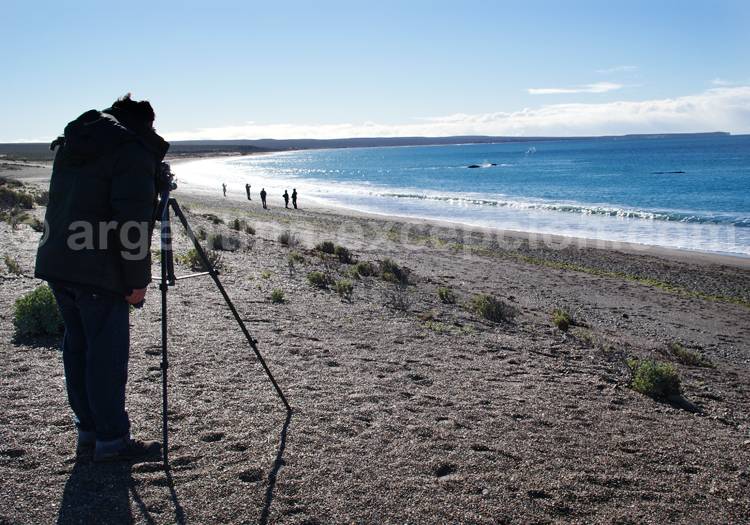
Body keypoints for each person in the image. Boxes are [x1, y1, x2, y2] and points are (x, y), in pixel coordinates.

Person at [35, 94, 167, 463]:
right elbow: (133, 224)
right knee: (105, 357)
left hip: (57, 259)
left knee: (78, 348)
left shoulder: (78, 139)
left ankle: (89, 432)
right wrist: (137, 282)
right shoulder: (131, 149)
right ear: (147, 122)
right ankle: (111, 440)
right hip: (97, 270)